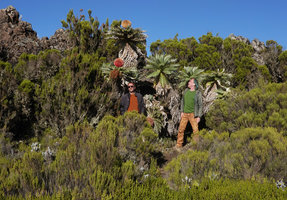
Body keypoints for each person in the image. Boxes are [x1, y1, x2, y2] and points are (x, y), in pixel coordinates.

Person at [175, 78, 203, 150]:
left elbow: (200, 105)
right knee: (181, 129)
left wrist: (199, 116)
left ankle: (195, 146)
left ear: (194, 84)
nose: (188, 82)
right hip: (184, 114)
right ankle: (179, 145)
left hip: (193, 115)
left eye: (190, 82)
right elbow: (182, 102)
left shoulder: (197, 93)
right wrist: (182, 111)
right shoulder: (186, 91)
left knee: (195, 131)